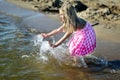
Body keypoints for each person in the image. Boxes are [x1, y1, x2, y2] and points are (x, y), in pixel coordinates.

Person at [41, 2, 107, 68]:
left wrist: (56, 45)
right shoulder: (72, 20)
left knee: (74, 51)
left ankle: (80, 65)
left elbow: (66, 36)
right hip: (85, 31)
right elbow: (58, 30)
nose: (60, 16)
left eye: (61, 14)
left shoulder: (73, 23)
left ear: (67, 15)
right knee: (75, 50)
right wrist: (47, 35)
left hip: (86, 35)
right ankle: (80, 59)